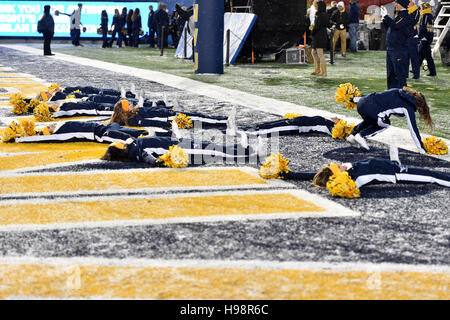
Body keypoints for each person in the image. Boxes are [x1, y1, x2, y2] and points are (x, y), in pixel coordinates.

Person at [101, 122, 262, 167]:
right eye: (117, 143)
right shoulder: (135, 150)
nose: (119, 141)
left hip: (177, 143)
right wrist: (158, 162)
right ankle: (245, 152)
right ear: (119, 149)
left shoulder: (133, 145)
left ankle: (241, 149)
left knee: (210, 147)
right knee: (214, 151)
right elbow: (147, 157)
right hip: (180, 149)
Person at [346, 87, 432, 154]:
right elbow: (413, 130)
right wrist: (421, 149)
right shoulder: (408, 107)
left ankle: (353, 135)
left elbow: (377, 96)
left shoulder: (397, 90)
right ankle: (361, 135)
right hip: (371, 110)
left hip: (362, 102)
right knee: (385, 123)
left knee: (373, 119)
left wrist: (354, 99)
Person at [311, 158, 450, 192]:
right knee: (431, 177)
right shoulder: (355, 179)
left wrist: (292, 174)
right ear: (337, 174)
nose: (338, 163)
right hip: (397, 174)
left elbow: (314, 175)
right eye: (336, 166)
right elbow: (349, 188)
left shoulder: (351, 170)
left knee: (431, 174)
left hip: (395, 167)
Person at [106, 99, 229, 130]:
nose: (132, 104)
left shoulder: (134, 113)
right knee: (197, 118)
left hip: (169, 115)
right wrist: (169, 124)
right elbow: (153, 122)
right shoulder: (133, 119)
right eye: (129, 105)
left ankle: (222, 122)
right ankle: (224, 121)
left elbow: (154, 111)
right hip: (170, 119)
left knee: (197, 119)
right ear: (125, 110)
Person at [14, 121, 149, 144]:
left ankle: (163, 135)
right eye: (48, 128)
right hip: (102, 135)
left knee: (140, 132)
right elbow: (41, 139)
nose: (50, 125)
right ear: (51, 133)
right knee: (132, 140)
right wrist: (19, 139)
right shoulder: (61, 133)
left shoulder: (61, 125)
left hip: (104, 127)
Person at [381, 0, 413, 89]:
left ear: (401, 4)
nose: (395, 4)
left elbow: (395, 26)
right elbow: (391, 27)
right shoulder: (398, 15)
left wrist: (386, 16)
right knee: (391, 75)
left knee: (399, 75)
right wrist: (384, 19)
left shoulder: (405, 16)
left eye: (397, 3)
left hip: (399, 50)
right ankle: (390, 95)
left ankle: (403, 97)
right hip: (391, 49)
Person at [418, 2, 437, 77]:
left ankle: (433, 72)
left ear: (424, 8)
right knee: (420, 54)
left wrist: (419, 37)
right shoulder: (430, 15)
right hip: (428, 36)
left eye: (421, 7)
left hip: (425, 37)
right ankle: (415, 69)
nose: (420, 9)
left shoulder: (425, 16)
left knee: (427, 56)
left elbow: (423, 27)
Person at [311, 1, 329, 76]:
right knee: (314, 52)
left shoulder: (321, 15)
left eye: (317, 5)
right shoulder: (322, 14)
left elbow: (317, 26)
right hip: (319, 34)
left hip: (319, 35)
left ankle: (323, 72)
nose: (316, 6)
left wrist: (312, 31)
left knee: (320, 53)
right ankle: (317, 70)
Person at [407, 0, 421, 79]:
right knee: (405, 57)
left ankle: (416, 75)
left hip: (412, 37)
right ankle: (405, 74)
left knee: (414, 57)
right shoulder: (405, 11)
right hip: (405, 37)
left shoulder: (416, 11)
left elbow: (413, 21)